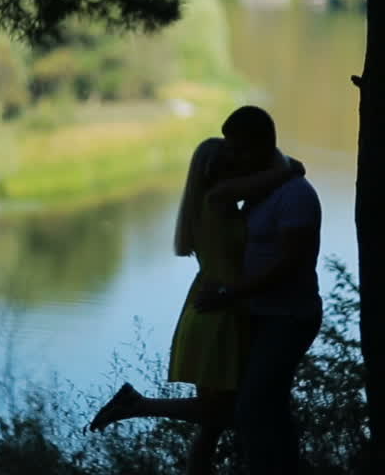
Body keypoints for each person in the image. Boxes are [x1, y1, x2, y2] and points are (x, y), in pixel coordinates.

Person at [87, 136, 303, 475]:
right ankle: (138, 404)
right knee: (229, 413)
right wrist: (290, 167)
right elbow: (282, 173)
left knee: (212, 423)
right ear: (218, 167)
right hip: (221, 312)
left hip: (215, 305)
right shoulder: (218, 198)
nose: (239, 164)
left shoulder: (217, 202)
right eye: (231, 159)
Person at [196, 106, 323, 475]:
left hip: (289, 317)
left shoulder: (295, 196)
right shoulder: (261, 192)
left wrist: (229, 295)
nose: (232, 158)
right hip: (260, 315)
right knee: (269, 407)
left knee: (252, 408)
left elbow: (289, 266)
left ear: (257, 147)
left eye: (236, 150)